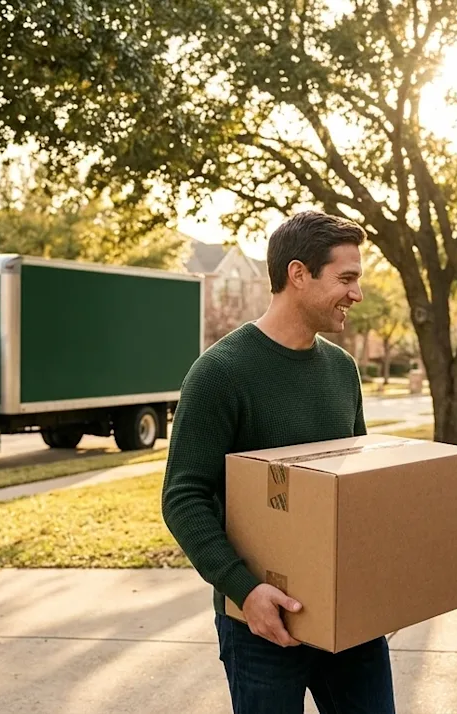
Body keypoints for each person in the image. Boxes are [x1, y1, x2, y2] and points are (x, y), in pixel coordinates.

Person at [161, 211, 394, 714]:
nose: (357, 294)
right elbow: (183, 497)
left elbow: (353, 487)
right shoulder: (220, 373)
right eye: (346, 278)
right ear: (298, 274)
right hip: (260, 622)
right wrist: (244, 592)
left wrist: (376, 588)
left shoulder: (342, 369)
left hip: (347, 615)